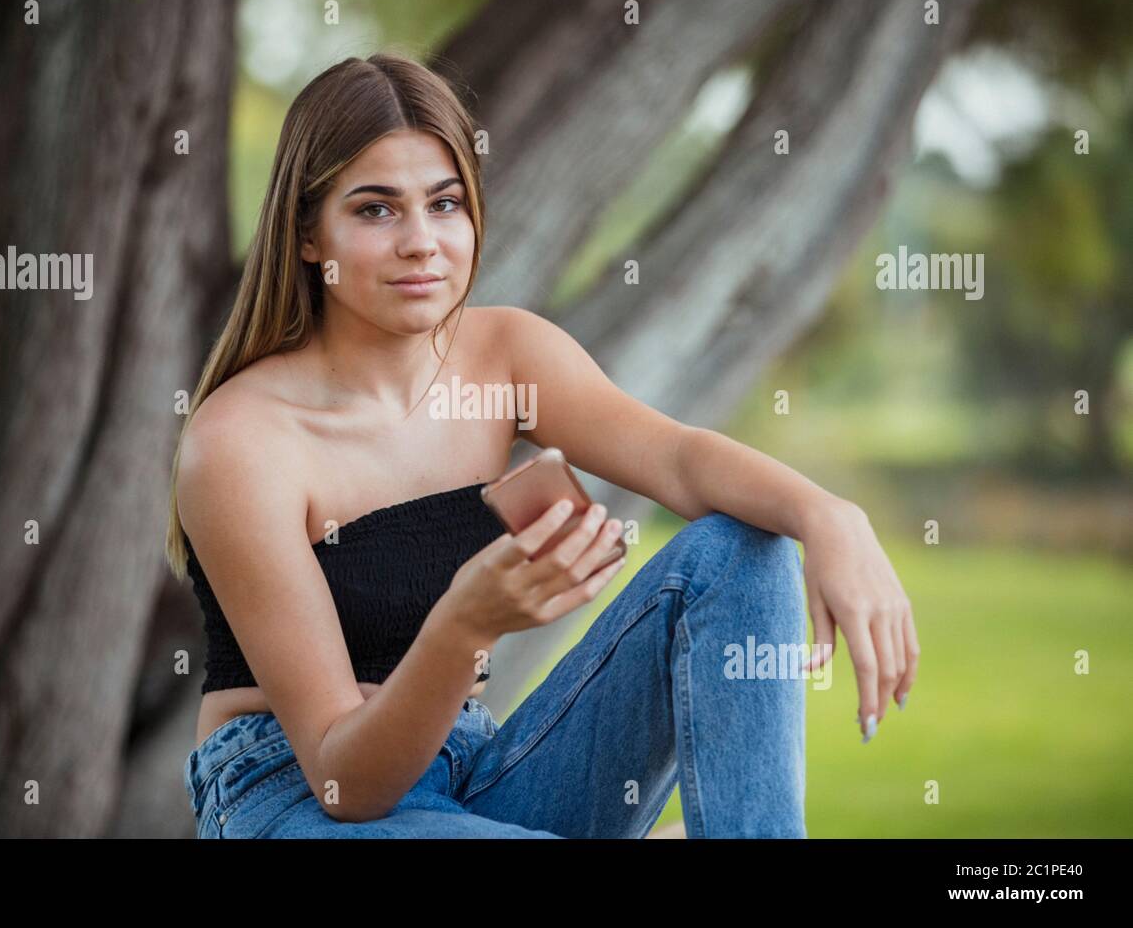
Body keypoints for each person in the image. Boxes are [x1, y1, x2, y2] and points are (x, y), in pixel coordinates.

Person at [163, 51, 918, 838]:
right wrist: (462, 626)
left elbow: (678, 459)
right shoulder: (242, 442)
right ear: (310, 235)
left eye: (444, 204)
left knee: (743, 550)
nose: (422, 242)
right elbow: (343, 782)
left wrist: (832, 516)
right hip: (299, 791)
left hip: (475, 772)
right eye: (376, 210)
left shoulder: (505, 355)